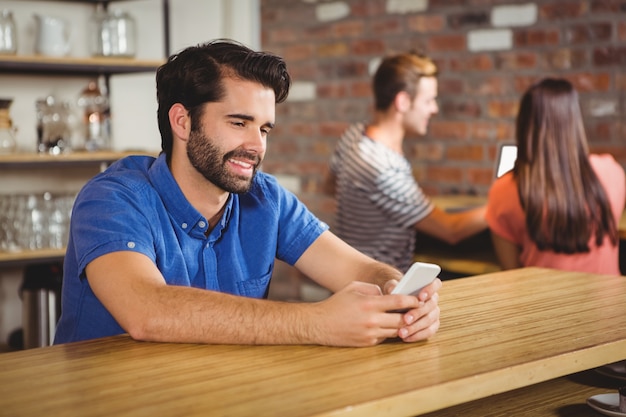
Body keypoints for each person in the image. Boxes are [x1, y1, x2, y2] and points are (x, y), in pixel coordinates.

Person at [53, 39, 442, 347]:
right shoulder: (112, 199)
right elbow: (147, 310)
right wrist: (317, 322)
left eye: (265, 129)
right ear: (183, 121)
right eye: (239, 123)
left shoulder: (265, 197)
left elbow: (359, 269)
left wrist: (399, 292)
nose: (256, 146)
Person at [326, 52, 487, 273]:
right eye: (429, 100)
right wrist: (505, 200)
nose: (434, 109)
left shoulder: (354, 135)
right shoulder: (383, 167)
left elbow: (329, 186)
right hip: (380, 290)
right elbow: (452, 230)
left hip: (353, 278)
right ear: (402, 101)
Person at [486, 78, 625, 275]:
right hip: (612, 304)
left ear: (524, 125)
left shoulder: (504, 190)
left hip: (544, 304)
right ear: (575, 122)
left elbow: (511, 275)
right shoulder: (612, 172)